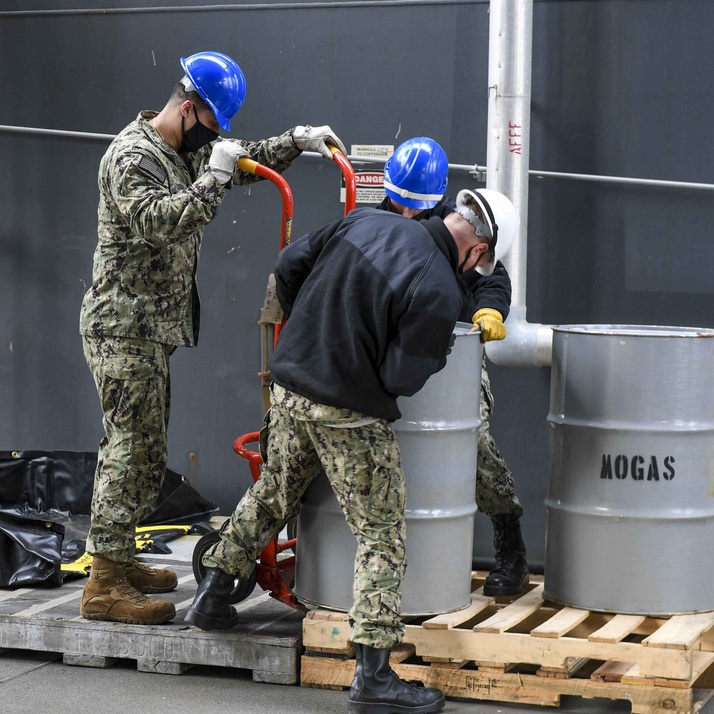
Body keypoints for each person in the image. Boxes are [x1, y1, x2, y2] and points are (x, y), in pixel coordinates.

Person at [187, 136, 519, 714]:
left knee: (273, 491)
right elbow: (401, 376)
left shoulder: (360, 222)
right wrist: (418, 349)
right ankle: (374, 679)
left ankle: (213, 596)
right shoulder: (438, 285)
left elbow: (289, 267)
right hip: (348, 411)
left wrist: (314, 329)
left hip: (291, 384)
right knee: (382, 536)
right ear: (477, 250)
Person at [78, 50, 346, 626]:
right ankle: (103, 585)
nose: (216, 138)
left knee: (144, 453)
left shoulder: (180, 146)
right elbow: (156, 222)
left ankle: (117, 561)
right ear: (190, 106)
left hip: (146, 330)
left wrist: (295, 142)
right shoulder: (132, 156)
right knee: (127, 453)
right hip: (121, 328)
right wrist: (217, 177)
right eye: (213, 125)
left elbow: (237, 157)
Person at [375, 137, 528, 597]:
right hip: (386, 356)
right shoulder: (370, 222)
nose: (407, 214)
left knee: (474, 444)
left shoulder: (453, 225)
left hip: (452, 356)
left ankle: (511, 549)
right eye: (401, 203)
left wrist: (491, 310)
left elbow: (492, 276)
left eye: (416, 205)